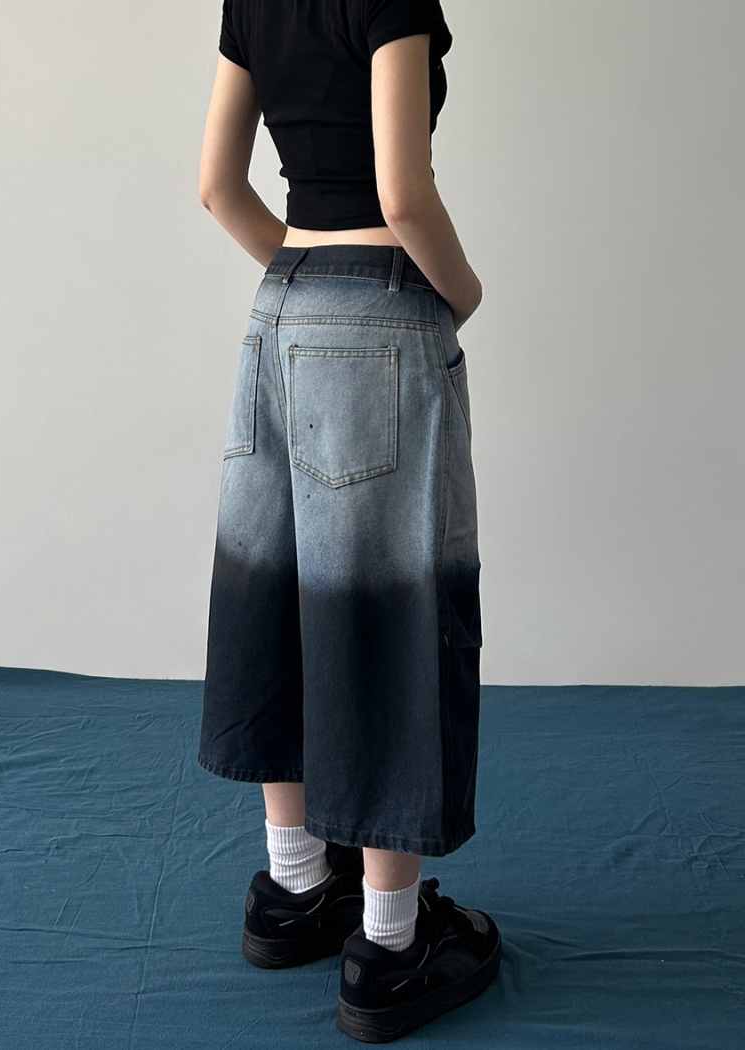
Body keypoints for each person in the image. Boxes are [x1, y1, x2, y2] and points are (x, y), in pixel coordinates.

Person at [196, 0, 501, 1040]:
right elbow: (401, 191)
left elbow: (217, 185)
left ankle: (293, 888)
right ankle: (390, 944)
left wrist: (300, 277)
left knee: (279, 593)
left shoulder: (250, 0)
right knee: (382, 613)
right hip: (381, 303)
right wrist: (460, 294)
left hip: (277, 308)